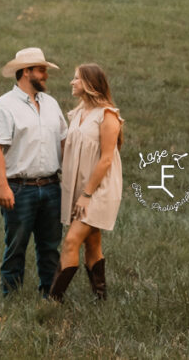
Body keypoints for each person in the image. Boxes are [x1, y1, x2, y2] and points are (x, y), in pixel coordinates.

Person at [0, 47, 68, 296]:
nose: (45, 75)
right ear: (25, 72)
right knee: (16, 246)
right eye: (41, 70)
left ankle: (51, 297)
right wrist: (3, 186)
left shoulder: (51, 104)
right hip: (19, 188)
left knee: (50, 247)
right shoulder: (4, 106)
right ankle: (11, 299)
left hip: (52, 186)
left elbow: (65, 142)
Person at [49, 63, 124, 302]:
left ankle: (53, 300)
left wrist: (87, 194)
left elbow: (106, 159)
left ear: (90, 84)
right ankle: (100, 298)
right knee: (92, 242)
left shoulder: (108, 116)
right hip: (79, 187)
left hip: (97, 190)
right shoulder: (78, 113)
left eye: (77, 79)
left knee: (71, 241)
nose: (72, 83)